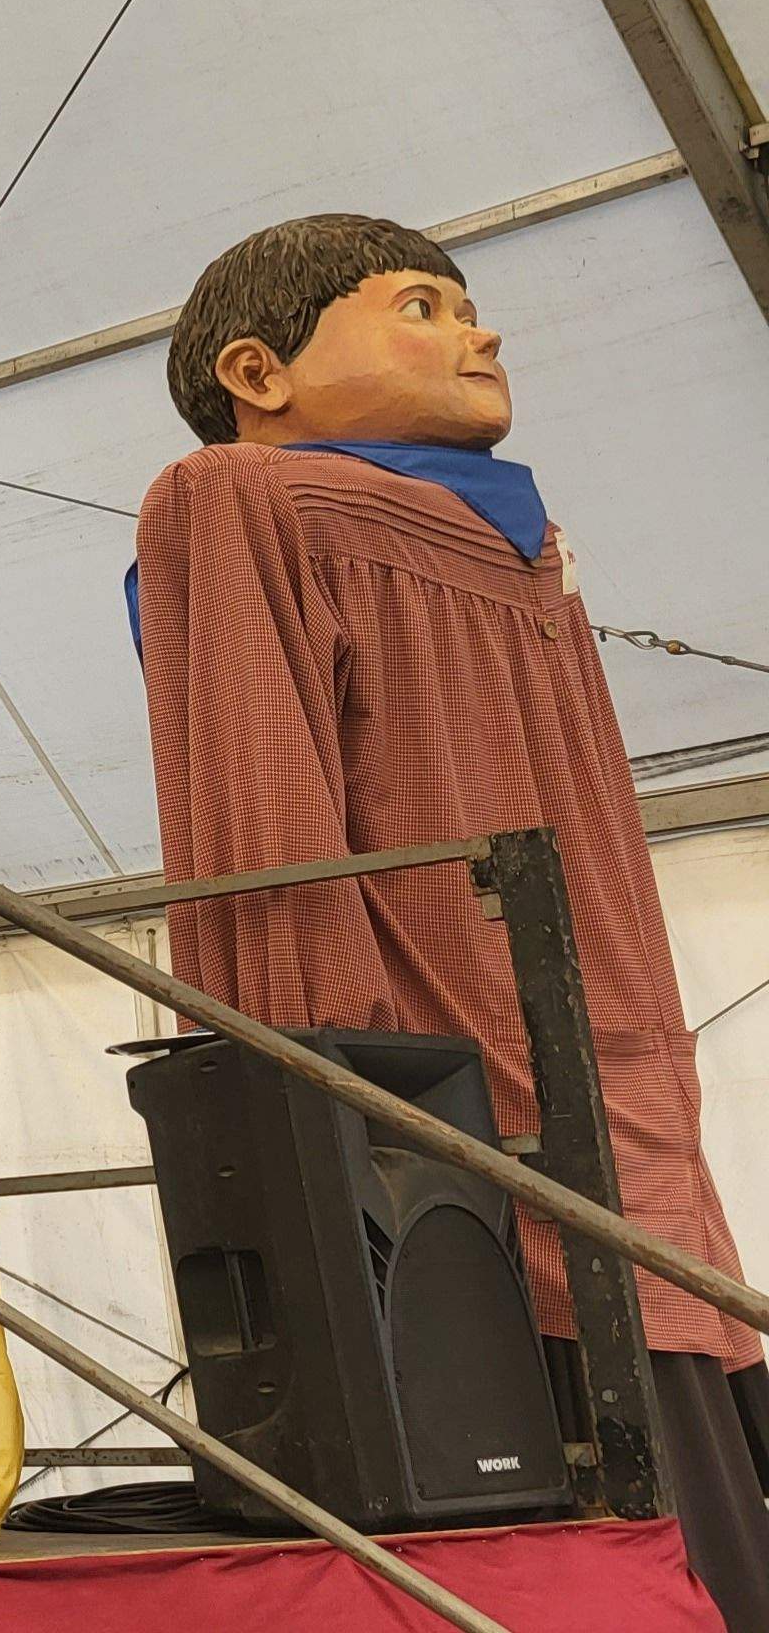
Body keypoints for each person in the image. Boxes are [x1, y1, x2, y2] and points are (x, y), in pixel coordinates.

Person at [136, 215, 769, 1620]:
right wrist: (322, 1076)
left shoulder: (525, 535)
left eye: (467, 307)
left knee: (651, 1311)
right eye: (419, 306)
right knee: (497, 1318)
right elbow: (260, 809)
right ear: (258, 369)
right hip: (431, 1042)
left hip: (604, 1015)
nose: (478, 335)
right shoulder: (233, 497)